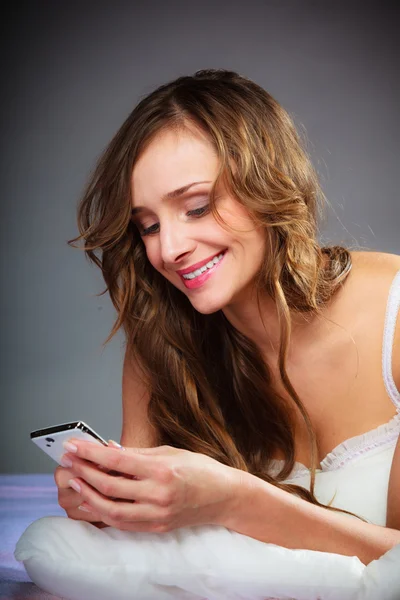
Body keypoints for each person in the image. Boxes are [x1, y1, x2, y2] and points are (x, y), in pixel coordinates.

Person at [55, 69, 400, 565]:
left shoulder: (393, 314)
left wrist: (235, 500)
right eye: (147, 226)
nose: (169, 249)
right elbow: (149, 554)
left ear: (269, 182)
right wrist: (104, 509)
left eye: (196, 207)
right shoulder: (163, 342)